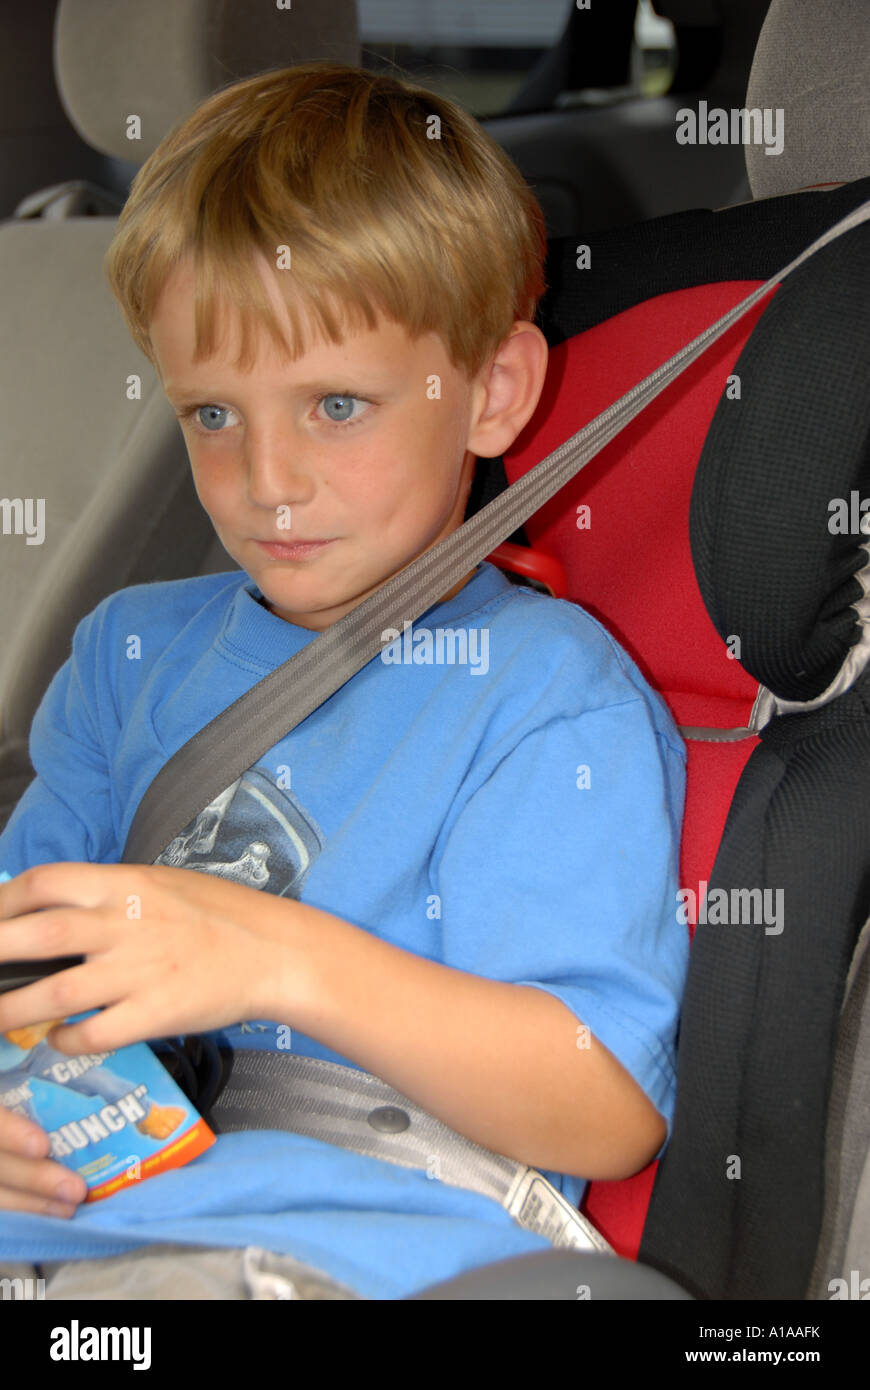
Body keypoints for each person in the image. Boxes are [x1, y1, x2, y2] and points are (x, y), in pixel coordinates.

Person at [0, 62, 687, 1300]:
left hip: (357, 1241)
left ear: (490, 392)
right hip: (83, 1208)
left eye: (334, 405)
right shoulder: (128, 654)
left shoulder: (546, 698)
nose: (268, 477)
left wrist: (274, 957)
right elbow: (23, 965)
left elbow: (603, 1107)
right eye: (211, 415)